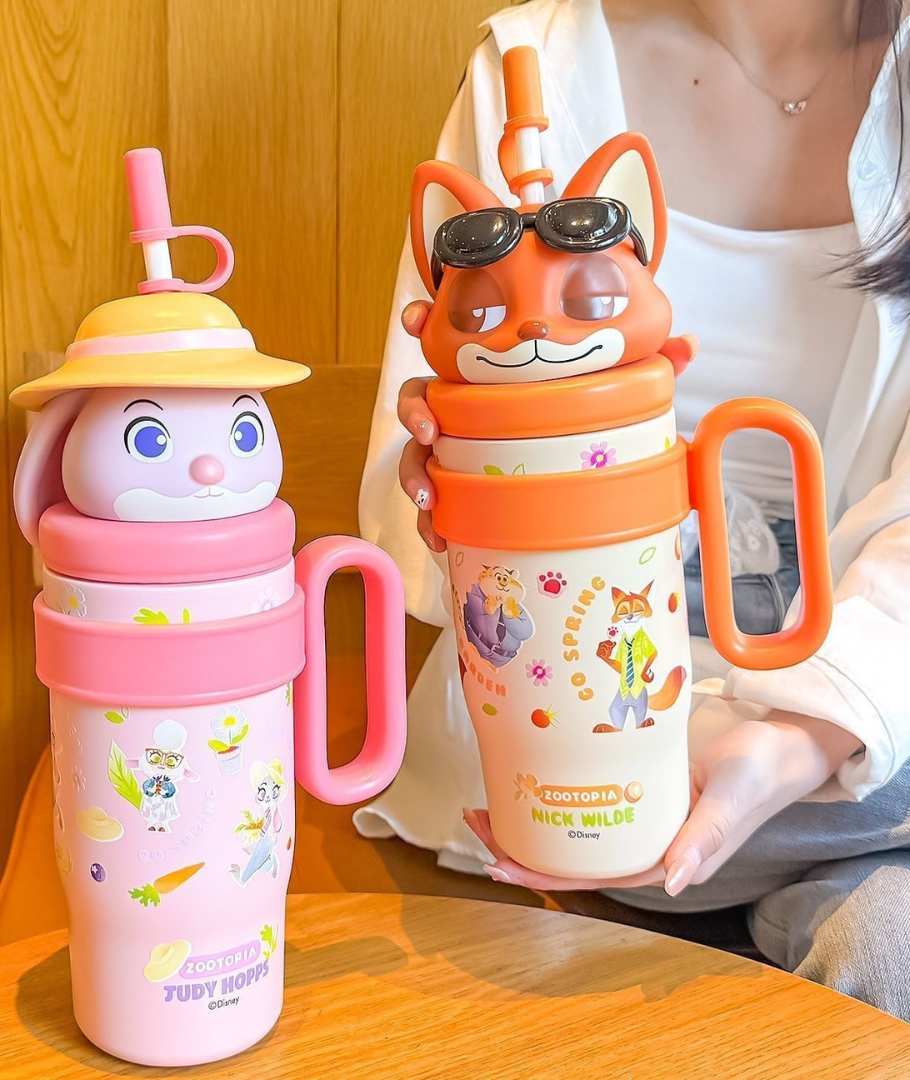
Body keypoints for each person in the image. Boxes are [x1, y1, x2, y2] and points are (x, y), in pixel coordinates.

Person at [357, 0, 910, 1017]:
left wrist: (803, 738)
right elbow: (417, 485)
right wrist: (456, 477)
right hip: (576, 735)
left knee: (891, 953)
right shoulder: (534, 65)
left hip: (856, 724)